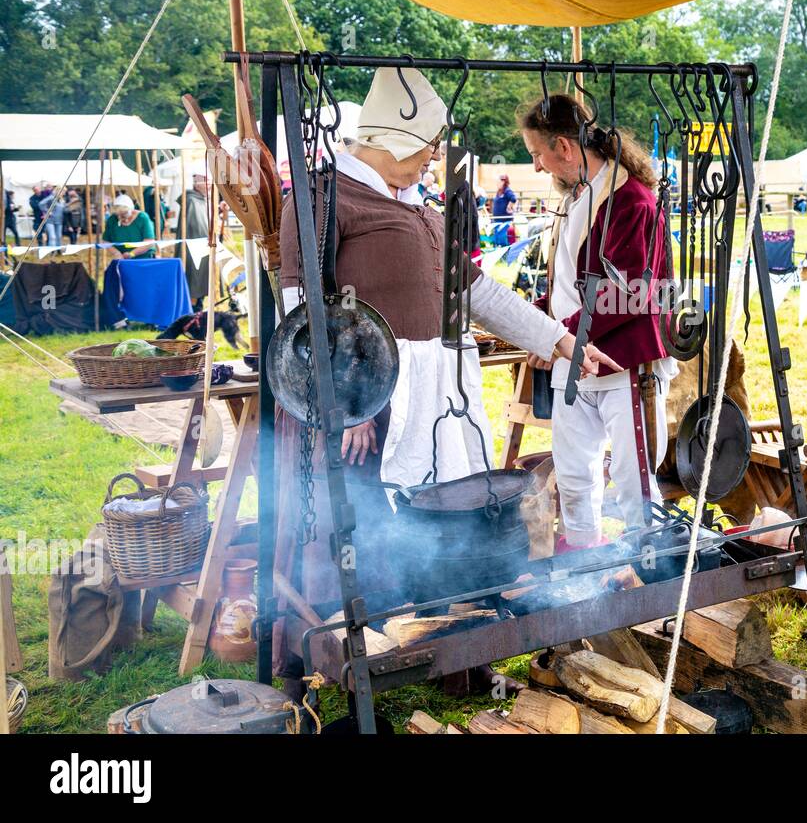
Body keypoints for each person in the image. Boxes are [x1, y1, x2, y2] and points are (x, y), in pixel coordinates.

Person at [275, 68, 618, 694]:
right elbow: (301, 308)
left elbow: (478, 291)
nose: (435, 159)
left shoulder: (417, 205)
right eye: (429, 147)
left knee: (445, 530)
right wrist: (346, 404)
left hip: (439, 398)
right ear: (398, 138)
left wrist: (563, 342)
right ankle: (368, 676)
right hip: (373, 405)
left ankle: (454, 655)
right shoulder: (328, 197)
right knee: (374, 546)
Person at [519, 92, 675, 551]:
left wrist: (557, 334)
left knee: (634, 474)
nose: (538, 167)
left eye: (538, 155)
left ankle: (648, 558)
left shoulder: (633, 201)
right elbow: (571, 278)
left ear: (564, 147)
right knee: (572, 469)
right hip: (576, 351)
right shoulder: (580, 196)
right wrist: (536, 316)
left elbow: (630, 292)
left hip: (622, 357)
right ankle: (584, 556)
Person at [183, 173, 211, 308]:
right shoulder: (191, 201)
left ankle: (198, 307)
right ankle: (193, 310)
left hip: (203, 249)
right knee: (194, 281)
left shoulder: (201, 200)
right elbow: (196, 228)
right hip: (194, 251)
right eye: (206, 182)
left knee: (202, 280)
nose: (209, 186)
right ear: (197, 184)